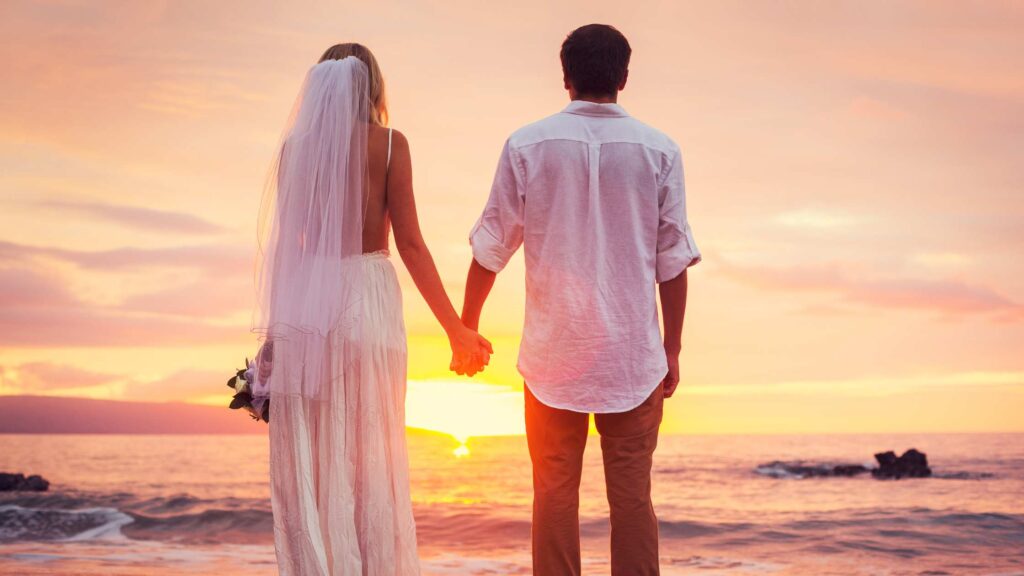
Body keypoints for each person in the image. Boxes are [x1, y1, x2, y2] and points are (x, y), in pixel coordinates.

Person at [458, 24, 701, 576]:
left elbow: (492, 245)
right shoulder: (659, 149)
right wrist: (673, 347)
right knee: (633, 500)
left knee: (554, 495)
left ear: (564, 76)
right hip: (632, 355)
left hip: (553, 356)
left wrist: (468, 326)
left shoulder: (527, 144)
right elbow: (673, 259)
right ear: (624, 77)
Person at [254, 43, 492, 575]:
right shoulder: (389, 146)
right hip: (371, 300)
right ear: (374, 88)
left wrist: (274, 337)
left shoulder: (297, 150)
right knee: (374, 450)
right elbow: (411, 244)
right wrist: (455, 328)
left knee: (320, 454)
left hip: (310, 301)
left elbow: (287, 251)